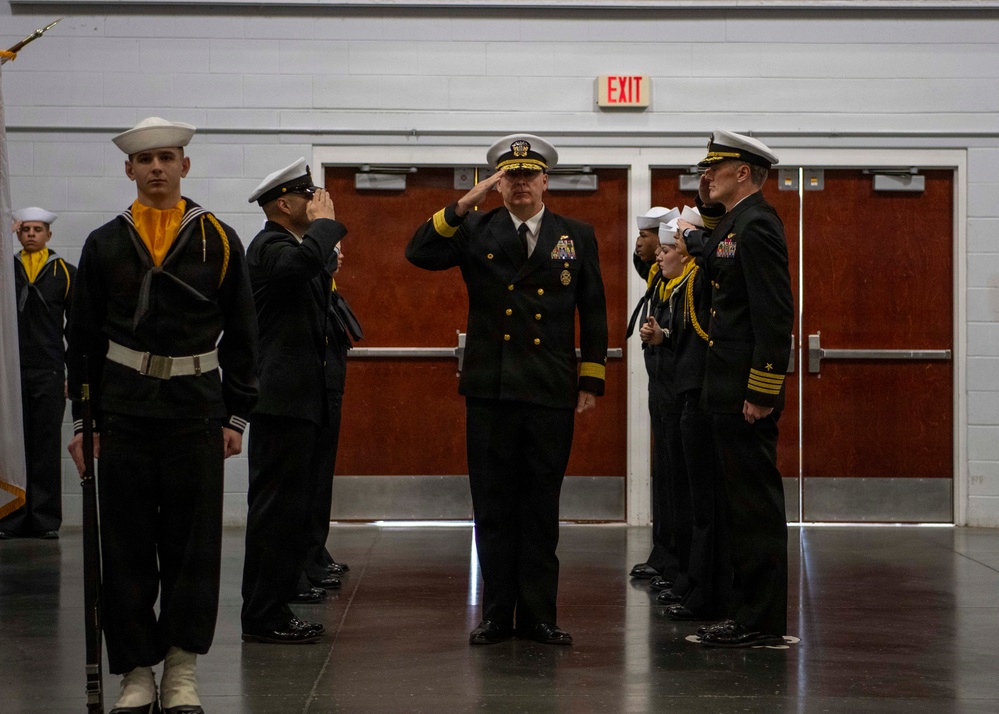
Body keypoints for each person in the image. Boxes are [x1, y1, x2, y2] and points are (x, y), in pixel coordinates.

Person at [67, 117, 258, 713]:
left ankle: (181, 669)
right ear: (129, 170)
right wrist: (83, 420)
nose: (156, 168)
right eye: (145, 159)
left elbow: (246, 334)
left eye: (167, 157)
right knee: (124, 546)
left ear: (185, 166)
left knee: (192, 546)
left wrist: (237, 415)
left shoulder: (220, 239)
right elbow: (82, 337)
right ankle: (134, 673)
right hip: (122, 410)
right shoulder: (103, 242)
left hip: (195, 410)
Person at [406, 134, 608, 646]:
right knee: (494, 505)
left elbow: (595, 311)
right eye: (509, 177)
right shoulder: (475, 228)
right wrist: (463, 202)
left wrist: (591, 378)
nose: (519, 184)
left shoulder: (575, 234)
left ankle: (539, 614)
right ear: (498, 184)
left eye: (528, 176)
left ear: (545, 181)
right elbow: (419, 252)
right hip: (491, 390)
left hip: (548, 390)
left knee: (541, 506)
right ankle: (497, 614)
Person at [676, 129, 794, 648]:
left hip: (746, 393)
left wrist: (763, 388)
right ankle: (748, 613)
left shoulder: (757, 224)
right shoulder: (735, 222)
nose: (706, 176)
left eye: (715, 168)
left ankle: (762, 620)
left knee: (755, 508)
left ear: (742, 172)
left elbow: (774, 314)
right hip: (724, 388)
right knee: (737, 508)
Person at [240, 158, 350, 645]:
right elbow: (301, 265)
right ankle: (263, 613)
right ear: (284, 204)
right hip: (280, 403)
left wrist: (322, 244)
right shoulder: (269, 246)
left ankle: (278, 603)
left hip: (298, 400)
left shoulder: (288, 247)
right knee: (274, 512)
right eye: (308, 196)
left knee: (289, 512)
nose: (316, 201)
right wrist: (326, 228)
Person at [645, 208, 731, 623]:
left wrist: (698, 240)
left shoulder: (698, 279)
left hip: (698, 396)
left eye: (674, 244)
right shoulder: (680, 283)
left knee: (701, 501)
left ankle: (701, 584)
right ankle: (690, 579)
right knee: (685, 494)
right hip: (682, 393)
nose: (664, 254)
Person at [0, 208, 75, 540]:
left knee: (45, 446)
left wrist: (72, 373)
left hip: (48, 370)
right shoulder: (5, 269)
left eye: (37, 229)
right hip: (11, 373)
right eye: (25, 229)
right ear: (17, 234)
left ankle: (44, 519)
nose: (30, 234)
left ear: (49, 235)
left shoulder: (65, 273)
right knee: (12, 447)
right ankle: (10, 516)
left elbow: (77, 329)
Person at [626, 207, 681, 584]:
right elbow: (640, 262)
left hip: (677, 388)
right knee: (664, 478)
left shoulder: (680, 279)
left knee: (676, 481)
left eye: (647, 239)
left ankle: (675, 559)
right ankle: (664, 554)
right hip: (661, 387)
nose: (643, 247)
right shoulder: (659, 277)